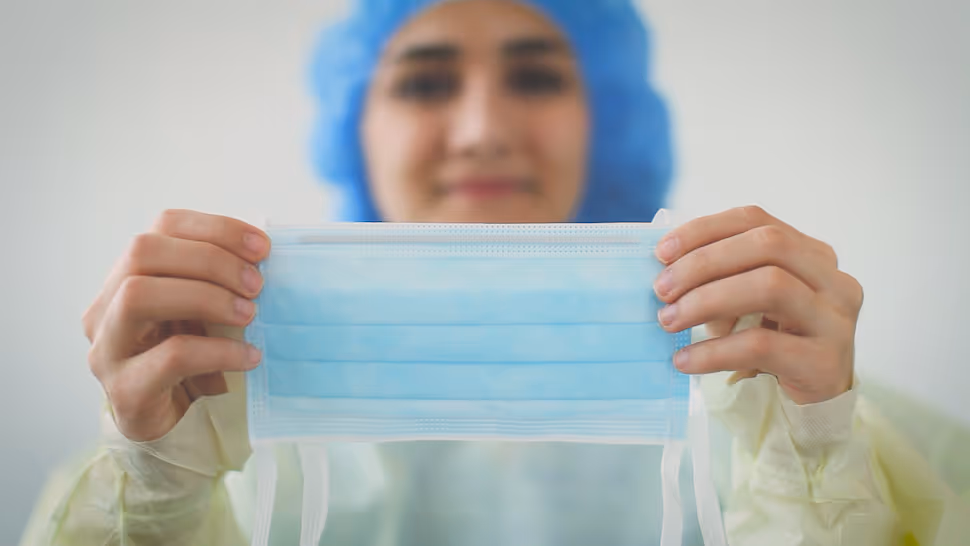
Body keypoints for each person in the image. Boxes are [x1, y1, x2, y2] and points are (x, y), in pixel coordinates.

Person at [20, 1, 970, 544]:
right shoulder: (189, 429)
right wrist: (154, 488)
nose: (481, 128)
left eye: (536, 74)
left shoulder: (852, 436)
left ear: (607, 115)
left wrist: (813, 461)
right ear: (357, 123)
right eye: (426, 81)